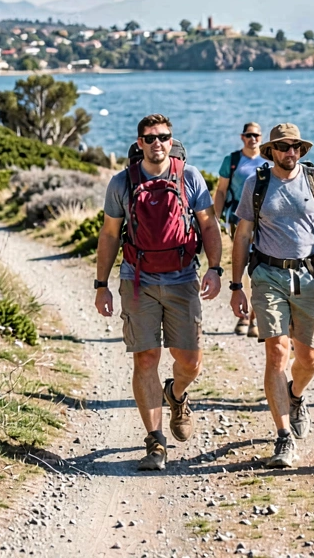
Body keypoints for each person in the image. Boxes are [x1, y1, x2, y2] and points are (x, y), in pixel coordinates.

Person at [93, 114, 224, 471]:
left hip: (183, 279)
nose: (157, 143)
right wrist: (101, 284)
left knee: (189, 361)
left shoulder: (190, 176)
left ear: (171, 140)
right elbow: (108, 235)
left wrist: (214, 267)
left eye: (163, 137)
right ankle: (155, 441)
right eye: (149, 138)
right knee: (145, 358)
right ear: (138, 143)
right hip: (138, 280)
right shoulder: (122, 183)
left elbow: (209, 225)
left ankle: (176, 394)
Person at [230, 123, 314, 469]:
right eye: (282, 146)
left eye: (295, 146)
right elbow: (241, 236)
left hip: (309, 277)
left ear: (301, 149)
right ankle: (283, 437)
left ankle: (295, 395)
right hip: (268, 275)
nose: (290, 152)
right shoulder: (257, 184)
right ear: (271, 151)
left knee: (310, 359)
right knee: (277, 351)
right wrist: (237, 285)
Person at [213, 122, 267, 337]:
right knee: (242, 267)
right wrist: (215, 220)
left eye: (256, 135)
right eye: (248, 135)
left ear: (261, 138)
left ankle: (254, 317)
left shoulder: (269, 161)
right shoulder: (232, 161)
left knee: (259, 269)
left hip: (265, 223)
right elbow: (221, 191)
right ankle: (243, 316)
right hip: (238, 220)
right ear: (242, 137)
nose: (252, 139)